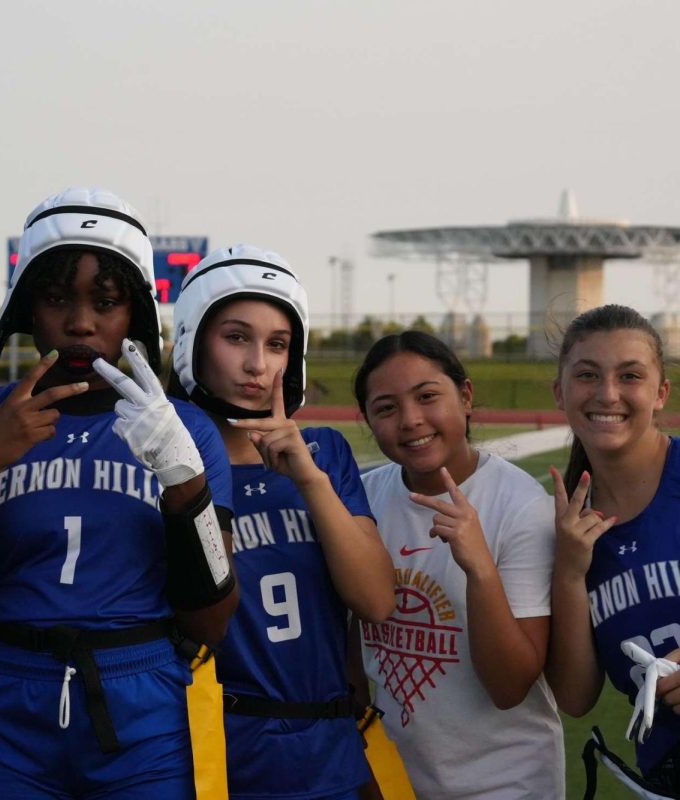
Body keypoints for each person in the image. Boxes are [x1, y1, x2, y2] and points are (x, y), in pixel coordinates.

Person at [0, 187, 238, 797]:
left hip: (142, 707)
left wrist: (183, 480)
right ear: (27, 309)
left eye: (107, 302)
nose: (81, 321)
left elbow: (213, 620)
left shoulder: (187, 431)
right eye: (58, 298)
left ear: (136, 314)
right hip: (2, 709)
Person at [167, 244, 394, 799]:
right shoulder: (166, 465)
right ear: (194, 342)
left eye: (278, 344)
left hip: (329, 754)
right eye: (236, 337)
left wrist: (310, 479)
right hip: (214, 754)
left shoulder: (326, 452)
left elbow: (376, 601)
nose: (258, 365)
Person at [352, 330, 563, 798]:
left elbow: (509, 688)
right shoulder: (365, 498)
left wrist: (479, 567)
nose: (410, 420)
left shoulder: (521, 506)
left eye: (427, 396)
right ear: (367, 419)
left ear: (465, 396)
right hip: (396, 779)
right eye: (386, 408)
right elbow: (351, 641)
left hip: (505, 785)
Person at [544, 304, 680, 796]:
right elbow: (576, 696)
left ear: (660, 393)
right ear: (560, 393)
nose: (607, 394)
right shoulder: (565, 528)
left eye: (630, 376)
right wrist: (568, 573)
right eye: (587, 375)